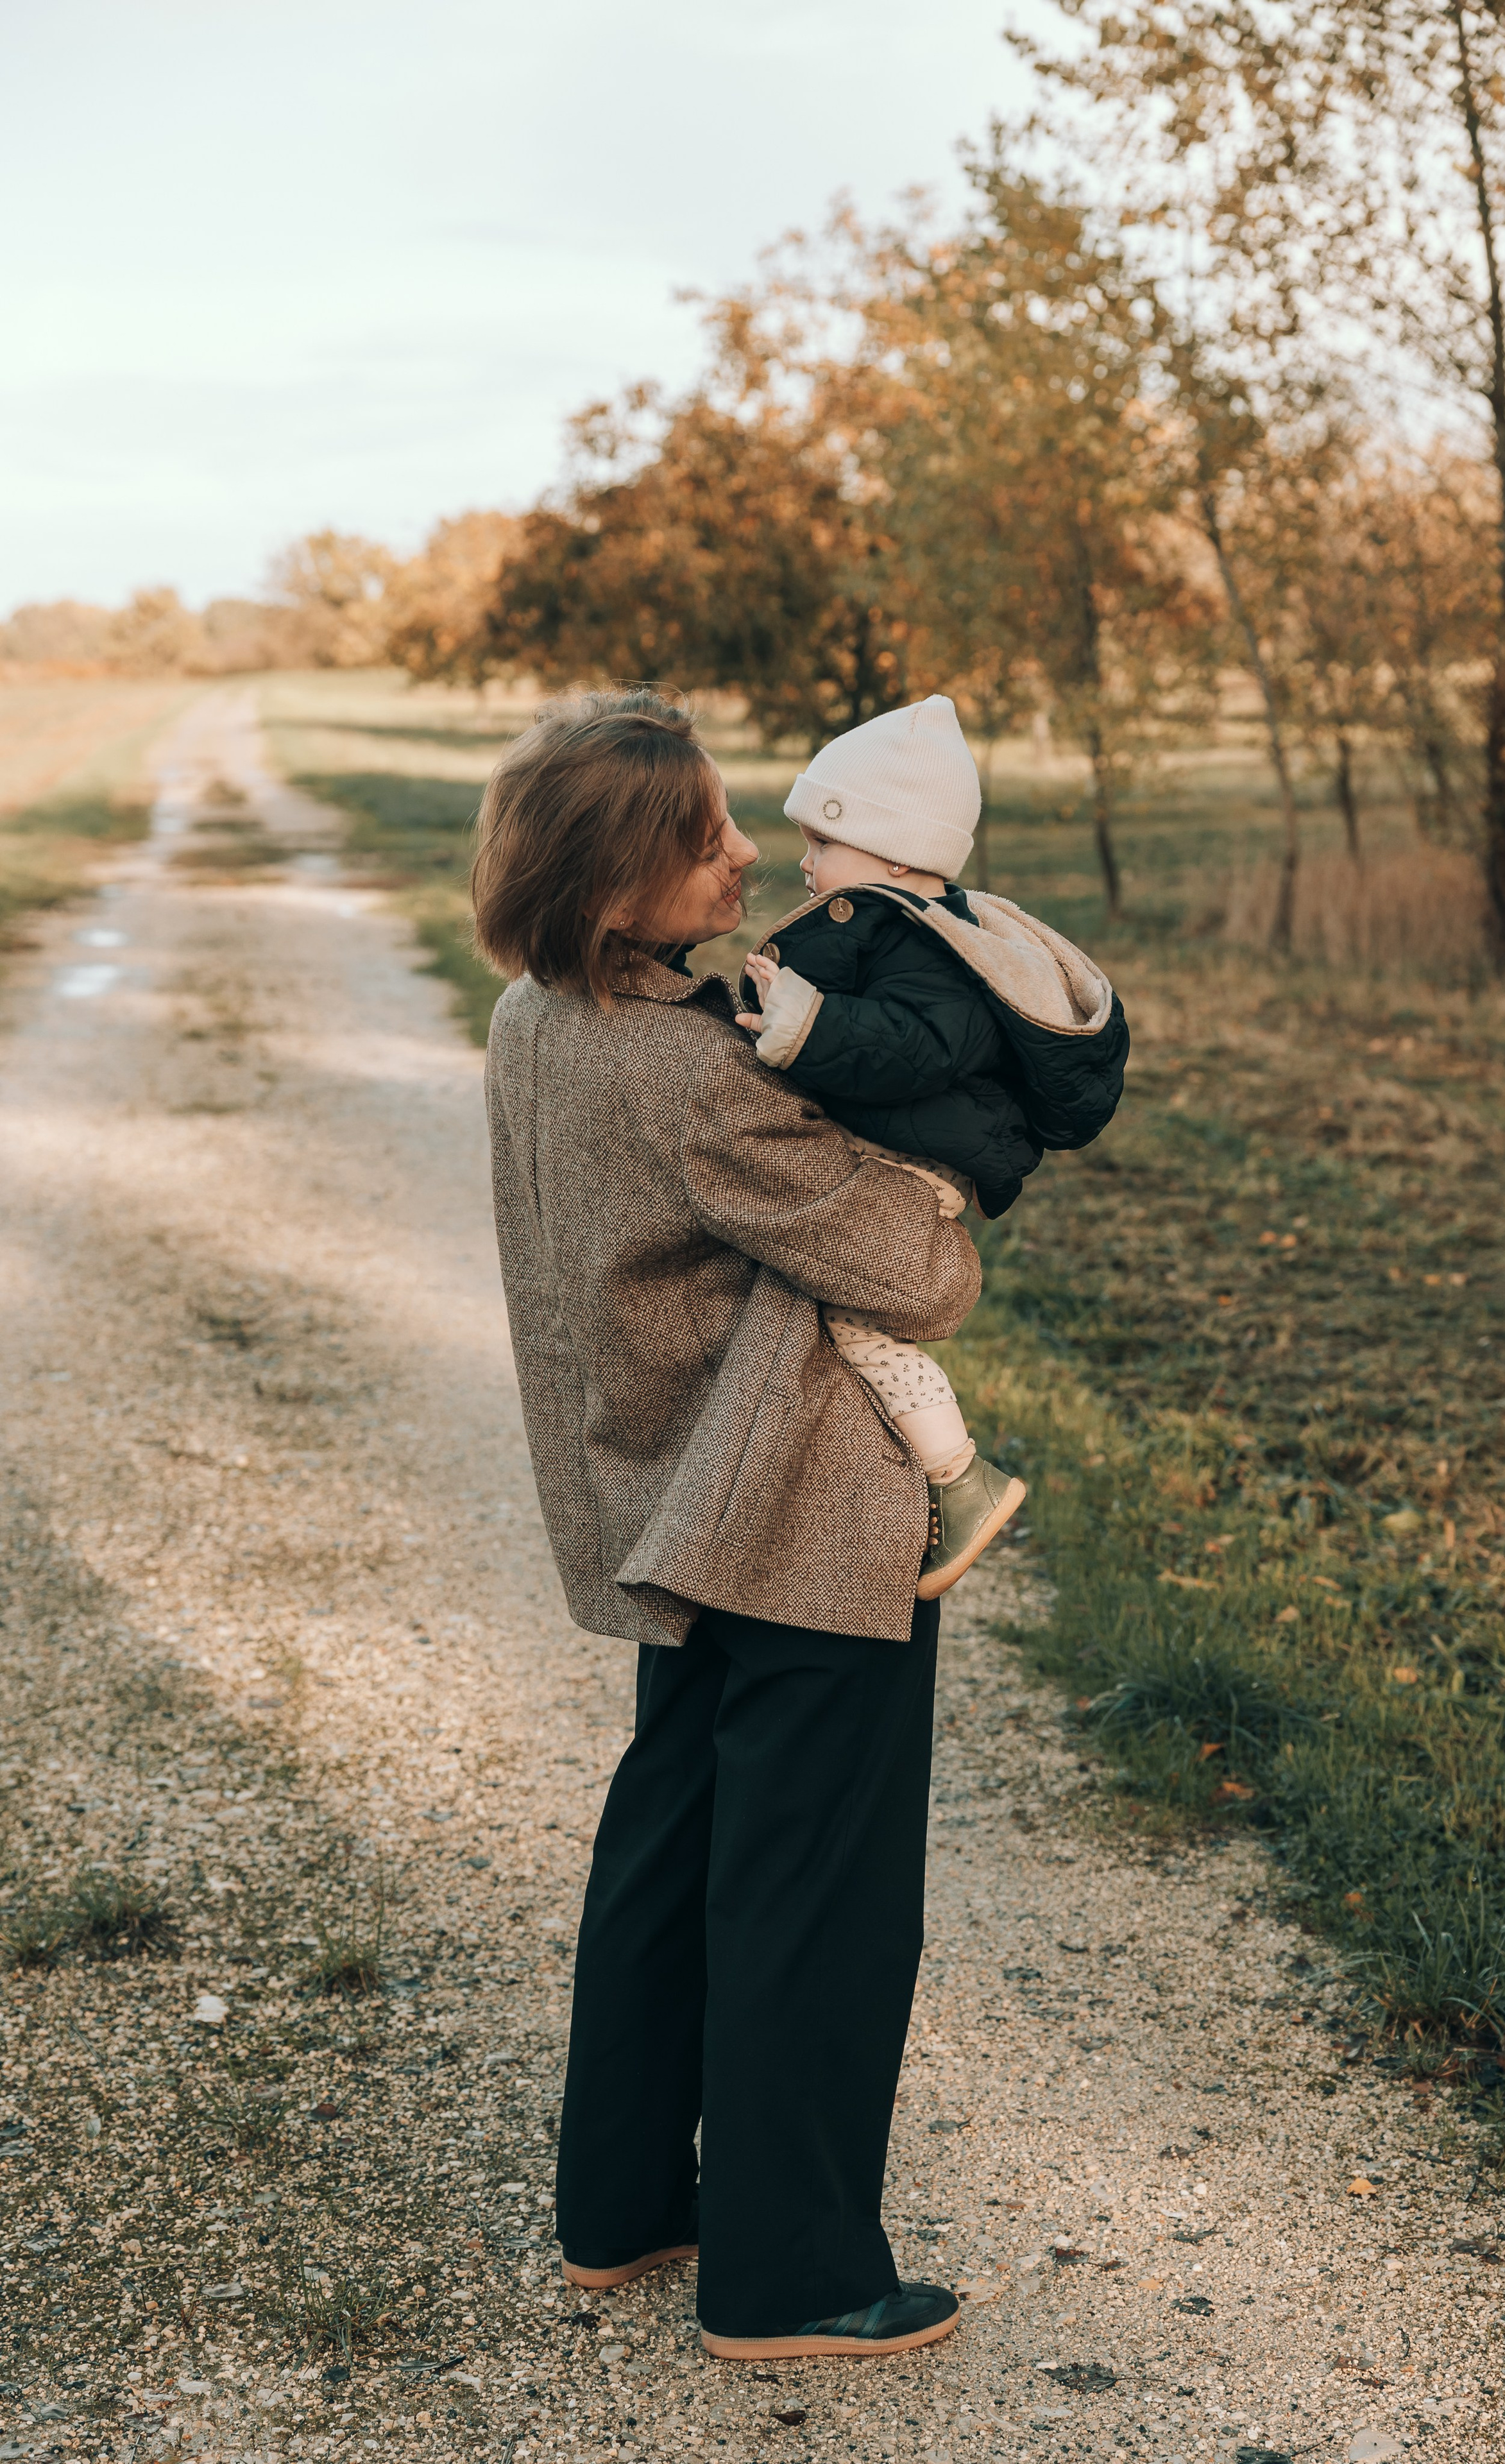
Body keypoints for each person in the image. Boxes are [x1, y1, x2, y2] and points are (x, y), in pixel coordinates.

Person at [476, 689, 978, 2360]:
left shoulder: (533, 1024)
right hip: (794, 1514)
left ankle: (625, 2208)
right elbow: (921, 1273)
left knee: (671, 1853)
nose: (748, 847)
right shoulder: (693, 1073)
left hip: (661, 1495)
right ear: (618, 889)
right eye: (707, 836)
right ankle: (795, 2274)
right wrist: (937, 1187)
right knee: (811, 1900)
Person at [736, 695, 1128, 1597]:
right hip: (907, 1151)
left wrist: (811, 1027)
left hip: (917, 1167)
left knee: (852, 1316)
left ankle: (960, 1476)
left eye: (821, 844)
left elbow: (921, 1046)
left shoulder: (927, 944)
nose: (804, 864)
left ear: (895, 852)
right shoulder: (899, 926)